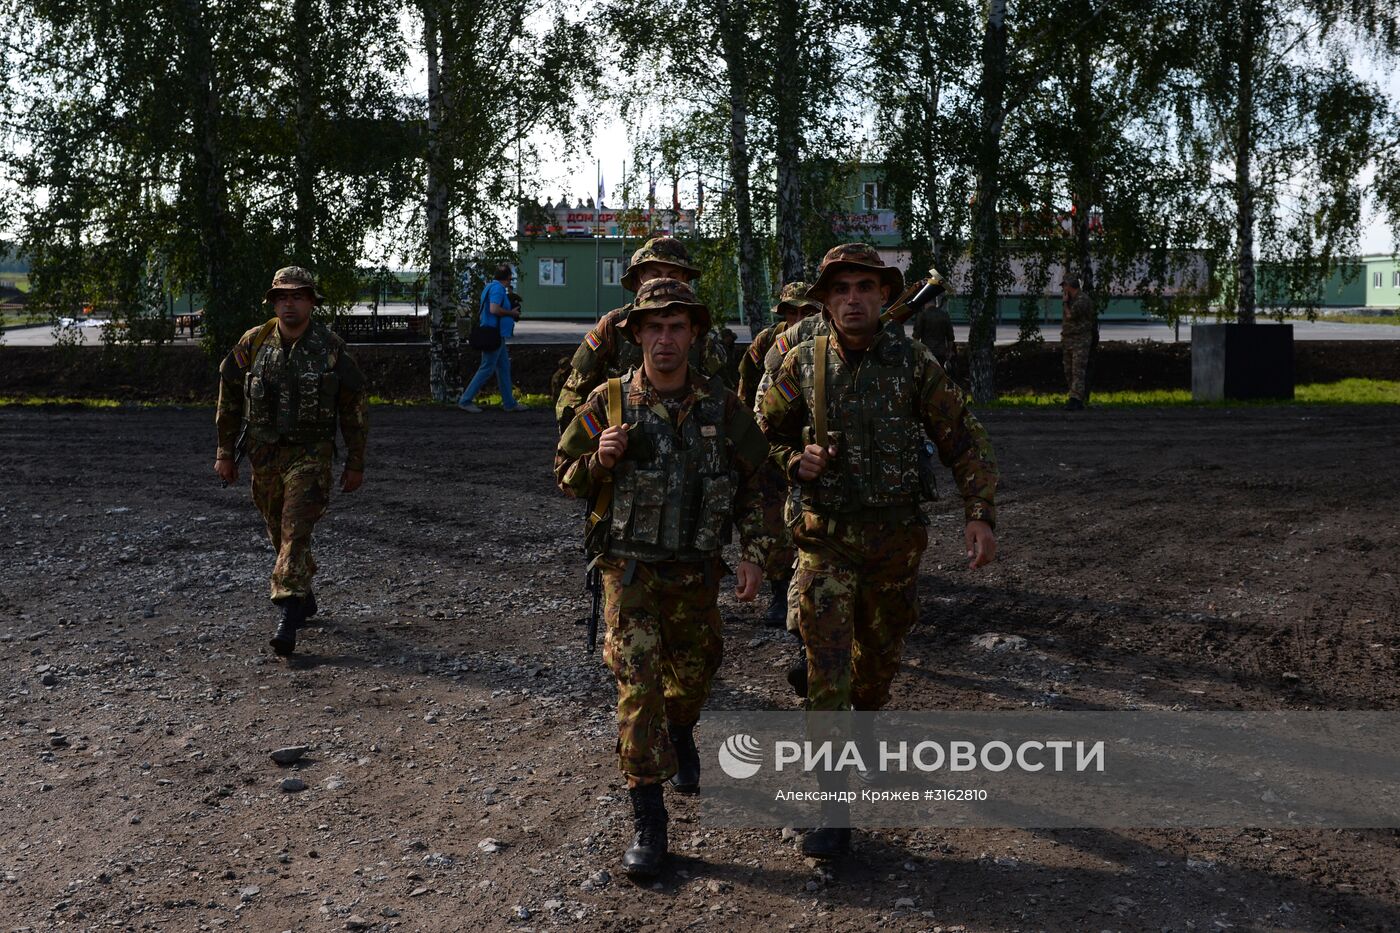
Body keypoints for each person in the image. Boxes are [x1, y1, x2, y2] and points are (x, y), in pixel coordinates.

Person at [758, 243, 999, 858]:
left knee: (877, 665)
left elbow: (963, 437)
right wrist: (794, 460)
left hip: (895, 544)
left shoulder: (912, 363)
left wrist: (978, 513)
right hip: (825, 539)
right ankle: (833, 809)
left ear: (884, 295)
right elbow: (759, 434)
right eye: (841, 289)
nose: (853, 299)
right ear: (825, 299)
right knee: (827, 671)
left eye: (865, 287)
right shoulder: (799, 359)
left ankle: (864, 720)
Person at [554, 277, 773, 879]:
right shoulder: (608, 403)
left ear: (694, 334)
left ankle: (682, 729)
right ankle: (649, 821)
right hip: (629, 571)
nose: (666, 338)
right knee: (637, 688)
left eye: (677, 327)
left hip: (696, 572)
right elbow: (564, 473)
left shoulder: (722, 407)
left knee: (695, 674)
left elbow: (757, 480)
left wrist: (754, 552)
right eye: (655, 327)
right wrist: (598, 460)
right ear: (637, 336)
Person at [214, 266, 368, 657]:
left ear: (312, 302)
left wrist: (356, 461)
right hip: (264, 455)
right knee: (279, 531)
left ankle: (288, 610)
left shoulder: (331, 348)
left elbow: (353, 407)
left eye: (298, 296)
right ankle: (304, 592)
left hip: (310, 455)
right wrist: (225, 452)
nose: (289, 304)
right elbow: (229, 396)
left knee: (296, 528)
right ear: (273, 303)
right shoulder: (254, 342)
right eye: (282, 297)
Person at [553, 236, 729, 434]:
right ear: (638, 280)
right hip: (623, 438)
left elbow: (724, 397)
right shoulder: (613, 325)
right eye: (655, 275)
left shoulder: (698, 332)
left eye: (673, 276)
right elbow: (573, 393)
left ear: (686, 281)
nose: (663, 282)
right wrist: (593, 440)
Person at [738, 282, 823, 630]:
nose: (799, 318)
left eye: (807, 311)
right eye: (792, 311)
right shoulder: (771, 341)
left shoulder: (825, 341)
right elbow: (749, 378)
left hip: (811, 439)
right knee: (773, 513)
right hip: (773, 433)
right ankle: (778, 590)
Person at [458, 263, 527, 412]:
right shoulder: (498, 289)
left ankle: (509, 403)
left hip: (495, 334)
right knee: (487, 368)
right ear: (507, 278)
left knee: (503, 367)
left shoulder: (490, 287)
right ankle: (465, 400)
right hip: (493, 335)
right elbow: (494, 309)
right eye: (510, 278)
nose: (510, 281)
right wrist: (512, 313)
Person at [1060, 274, 1097, 411]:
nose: (1063, 289)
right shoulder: (1072, 300)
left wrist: (1065, 303)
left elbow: (1070, 316)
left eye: (1064, 286)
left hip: (1080, 340)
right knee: (1068, 370)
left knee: (1077, 370)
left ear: (1069, 286)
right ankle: (1074, 397)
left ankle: (1076, 400)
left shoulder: (1082, 300)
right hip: (1069, 339)